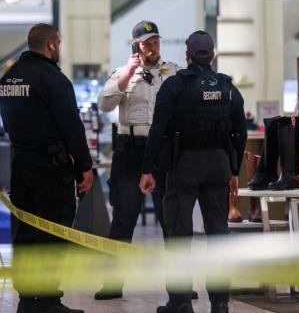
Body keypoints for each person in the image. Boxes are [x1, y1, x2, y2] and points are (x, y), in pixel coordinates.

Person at [140, 30, 247, 313]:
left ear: (187, 56)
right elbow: (240, 131)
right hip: (218, 166)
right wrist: (234, 169)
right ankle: (220, 303)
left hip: (183, 166)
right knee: (218, 234)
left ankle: (180, 302)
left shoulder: (174, 86)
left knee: (178, 233)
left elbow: (158, 129)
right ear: (212, 55)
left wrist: (148, 169)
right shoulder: (227, 87)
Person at [0, 23, 93, 313]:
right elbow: (71, 127)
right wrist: (84, 167)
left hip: (21, 165)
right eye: (59, 43)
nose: (59, 48)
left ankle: (27, 300)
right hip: (52, 169)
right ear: (51, 44)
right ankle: (49, 301)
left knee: (25, 234)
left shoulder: (8, 78)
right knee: (54, 231)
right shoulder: (54, 79)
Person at [95, 20, 181, 300]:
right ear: (136, 45)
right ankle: (113, 283)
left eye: (155, 41)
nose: (152, 47)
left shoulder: (174, 73)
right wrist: (128, 73)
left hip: (163, 152)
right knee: (123, 217)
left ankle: (179, 287)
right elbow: (105, 105)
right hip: (130, 151)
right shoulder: (122, 73)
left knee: (172, 218)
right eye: (146, 43)